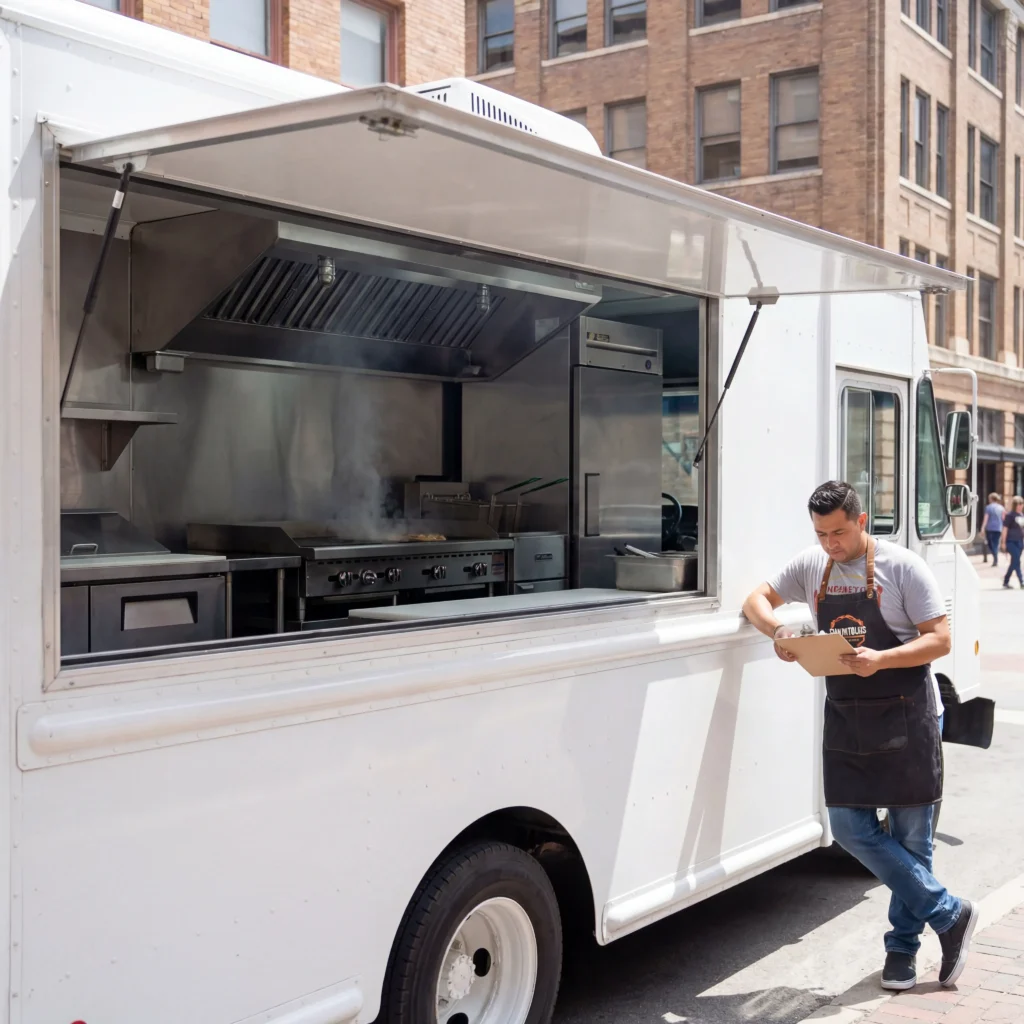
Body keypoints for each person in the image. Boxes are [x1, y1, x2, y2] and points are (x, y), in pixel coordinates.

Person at [742, 481, 977, 993]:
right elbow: (756, 599)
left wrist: (882, 659)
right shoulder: (812, 565)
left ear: (863, 520)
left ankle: (901, 952)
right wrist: (778, 631)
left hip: (908, 715)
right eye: (822, 533)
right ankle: (949, 912)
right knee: (848, 827)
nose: (831, 544)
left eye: (840, 533)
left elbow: (940, 638)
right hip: (847, 717)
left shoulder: (903, 567)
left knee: (911, 841)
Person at [1001, 495, 1024, 589]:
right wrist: (1003, 542)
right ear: (1014, 505)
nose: (1019, 506)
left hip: (1020, 542)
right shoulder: (1010, 515)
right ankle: (1022, 581)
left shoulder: (1022, 515)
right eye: (1017, 504)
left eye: (1021, 504)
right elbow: (1005, 529)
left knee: (1014, 562)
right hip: (1011, 541)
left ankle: (1006, 581)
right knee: (1016, 560)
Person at [982, 493, 1005, 566]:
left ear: (991, 499)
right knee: (995, 543)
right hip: (998, 528)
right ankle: (995, 557)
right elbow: (1004, 519)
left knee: (990, 544)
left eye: (989, 498)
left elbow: (986, 518)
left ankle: (995, 558)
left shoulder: (988, 507)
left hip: (990, 528)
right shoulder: (1001, 508)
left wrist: (983, 528)